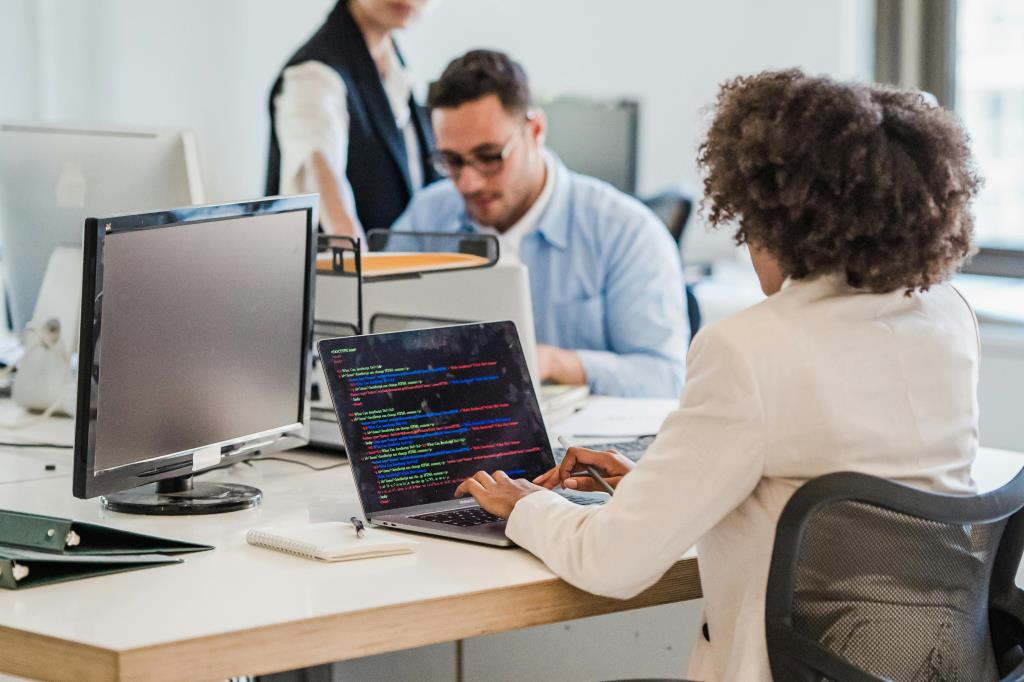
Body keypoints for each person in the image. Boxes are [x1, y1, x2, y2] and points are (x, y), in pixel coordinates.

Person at [453, 70, 981, 681]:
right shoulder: (949, 318)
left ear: (773, 218)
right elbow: (828, 494)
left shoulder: (749, 347)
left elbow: (611, 564)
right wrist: (656, 483)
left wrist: (522, 504)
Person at [391, 50, 688, 399]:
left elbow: (666, 377)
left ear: (535, 130)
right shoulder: (428, 215)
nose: (469, 182)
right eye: (452, 161)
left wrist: (551, 364)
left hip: (575, 444)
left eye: (489, 157)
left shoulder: (625, 231)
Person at [265, 0, 439, 238]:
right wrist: (357, 260)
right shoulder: (314, 76)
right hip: (342, 272)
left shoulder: (394, 65)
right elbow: (319, 168)